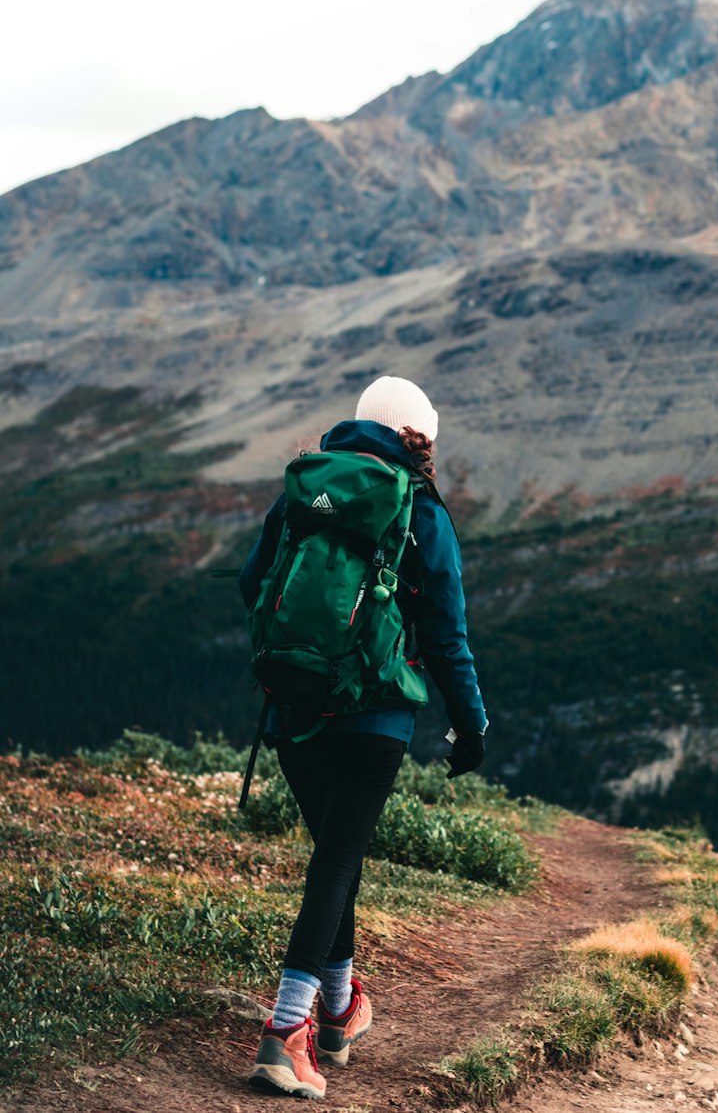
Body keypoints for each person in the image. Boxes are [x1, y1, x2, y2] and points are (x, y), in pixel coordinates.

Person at [238, 376, 488, 1100]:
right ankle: (287, 1034)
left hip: (294, 709)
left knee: (333, 861)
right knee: (335, 865)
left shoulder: (302, 492)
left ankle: (341, 1011)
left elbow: (254, 585)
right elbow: (445, 635)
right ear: (420, 435)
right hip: (375, 717)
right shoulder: (419, 509)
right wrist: (470, 723)